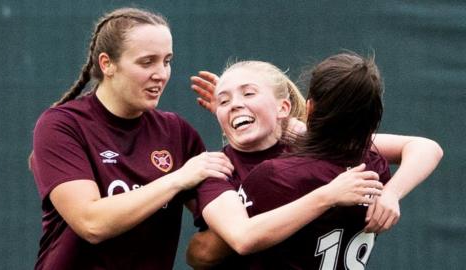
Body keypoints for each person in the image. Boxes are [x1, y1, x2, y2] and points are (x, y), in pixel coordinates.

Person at [29, 7, 235, 269]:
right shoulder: (62, 124)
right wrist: (177, 179)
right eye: (147, 62)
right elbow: (91, 223)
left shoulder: (177, 132)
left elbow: (231, 222)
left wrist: (237, 117)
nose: (161, 73)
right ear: (107, 64)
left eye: (167, 61)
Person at [186, 60, 442, 269]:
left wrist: (391, 193)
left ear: (285, 107)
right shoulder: (217, 168)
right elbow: (205, 252)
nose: (236, 104)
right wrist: (328, 195)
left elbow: (426, 148)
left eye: (249, 93)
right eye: (223, 101)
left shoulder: (322, 149)